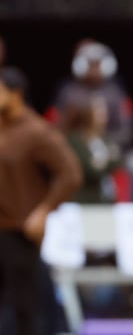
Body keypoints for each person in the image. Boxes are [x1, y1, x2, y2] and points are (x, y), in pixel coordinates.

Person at [0, 66, 83, 334]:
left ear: (16, 94)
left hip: (18, 230)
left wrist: (44, 210)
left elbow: (70, 175)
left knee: (23, 308)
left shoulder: (37, 131)